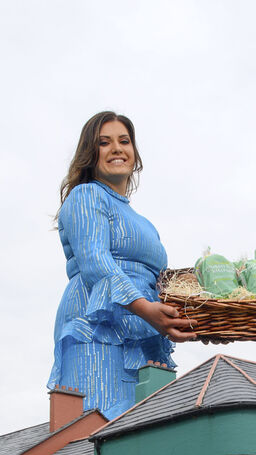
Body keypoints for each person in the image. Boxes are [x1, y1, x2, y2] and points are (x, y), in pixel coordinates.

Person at [48, 110, 195, 421]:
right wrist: (146, 309)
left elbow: (163, 282)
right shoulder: (86, 195)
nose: (116, 148)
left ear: (134, 153)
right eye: (104, 142)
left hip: (144, 329)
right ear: (90, 153)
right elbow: (95, 263)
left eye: (124, 141)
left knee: (139, 433)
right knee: (96, 424)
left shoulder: (145, 224)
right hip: (98, 325)